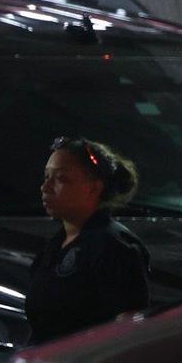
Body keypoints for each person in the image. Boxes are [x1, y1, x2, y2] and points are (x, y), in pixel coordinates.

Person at [27, 136, 149, 343]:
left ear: (94, 188)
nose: (45, 187)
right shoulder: (57, 244)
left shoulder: (114, 246)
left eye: (61, 179)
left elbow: (126, 332)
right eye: (46, 176)